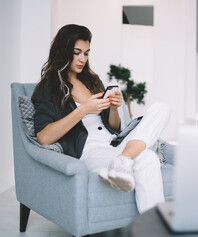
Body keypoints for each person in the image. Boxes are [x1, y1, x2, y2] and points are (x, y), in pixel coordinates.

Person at [31, 24, 170, 213]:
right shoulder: (48, 88)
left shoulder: (93, 81)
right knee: (148, 158)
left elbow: (113, 126)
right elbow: (44, 137)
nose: (82, 59)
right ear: (63, 51)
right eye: (77, 52)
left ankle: (123, 160)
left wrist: (114, 108)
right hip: (90, 152)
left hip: (116, 144)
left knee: (162, 108)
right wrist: (84, 110)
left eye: (86, 53)